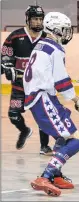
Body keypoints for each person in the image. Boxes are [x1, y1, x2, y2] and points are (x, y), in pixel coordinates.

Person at [23, 11, 79, 197]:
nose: (67, 34)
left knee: (65, 136)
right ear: (56, 29)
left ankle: (55, 174)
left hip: (41, 97)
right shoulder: (55, 49)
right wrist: (77, 100)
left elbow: (50, 76)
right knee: (76, 140)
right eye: (65, 30)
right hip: (43, 98)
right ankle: (46, 176)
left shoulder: (41, 45)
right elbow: (62, 83)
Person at [1, 5, 53, 155]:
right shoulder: (15, 37)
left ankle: (44, 146)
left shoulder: (47, 38)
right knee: (13, 115)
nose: (38, 22)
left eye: (40, 19)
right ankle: (24, 131)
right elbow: (5, 56)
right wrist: (7, 66)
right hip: (19, 86)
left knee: (42, 117)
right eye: (35, 19)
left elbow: (53, 60)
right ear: (28, 20)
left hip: (38, 87)